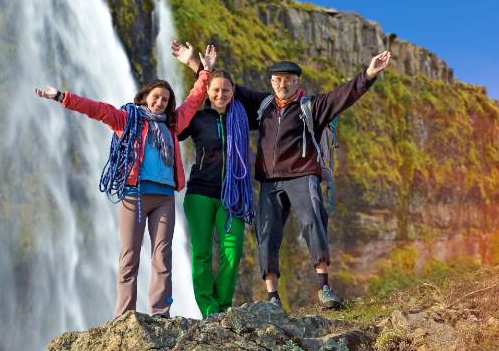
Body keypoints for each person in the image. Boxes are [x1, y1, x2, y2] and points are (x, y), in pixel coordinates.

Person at [174, 43, 392, 310]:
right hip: (267, 179)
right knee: (266, 233)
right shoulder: (262, 105)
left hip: (301, 174)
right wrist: (197, 67)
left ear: (297, 81)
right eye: (278, 80)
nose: (283, 84)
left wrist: (368, 74)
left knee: (312, 220)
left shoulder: (311, 106)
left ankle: (324, 287)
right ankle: (272, 297)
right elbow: (224, 88)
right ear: (271, 82)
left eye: (288, 80)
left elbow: (343, 96)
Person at [34, 46, 214, 318]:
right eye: (156, 98)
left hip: (164, 197)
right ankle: (124, 314)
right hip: (135, 195)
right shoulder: (127, 119)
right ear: (144, 98)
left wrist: (204, 72)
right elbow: (96, 109)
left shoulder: (173, 124)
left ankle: (160, 312)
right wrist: (61, 96)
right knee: (129, 256)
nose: (160, 103)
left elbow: (194, 99)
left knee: (162, 256)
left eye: (165, 100)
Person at [176, 60, 257, 317]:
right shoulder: (197, 119)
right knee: (201, 253)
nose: (221, 95)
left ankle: (222, 306)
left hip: (232, 195)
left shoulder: (243, 119)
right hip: (199, 193)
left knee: (231, 251)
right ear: (208, 93)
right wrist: (199, 70)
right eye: (216, 90)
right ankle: (208, 308)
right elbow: (174, 129)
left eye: (226, 90)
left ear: (233, 92)